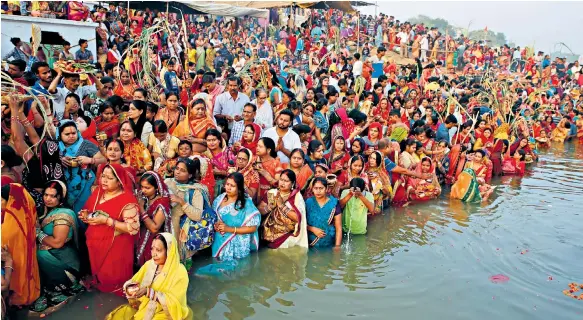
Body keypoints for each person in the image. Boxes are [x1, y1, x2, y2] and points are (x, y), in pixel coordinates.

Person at [80, 164, 140, 295]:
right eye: (103, 176)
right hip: (96, 245)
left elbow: (133, 229)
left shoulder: (127, 200)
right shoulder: (98, 192)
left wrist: (106, 220)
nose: (104, 180)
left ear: (119, 181)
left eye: (109, 178)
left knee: (115, 281)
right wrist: (85, 215)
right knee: (101, 277)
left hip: (116, 247)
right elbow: (90, 210)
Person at [106, 233, 191, 320]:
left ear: (169, 251)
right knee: (119, 315)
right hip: (145, 307)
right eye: (152, 249)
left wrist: (150, 292)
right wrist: (129, 287)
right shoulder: (150, 264)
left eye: (158, 250)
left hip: (164, 313)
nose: (154, 254)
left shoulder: (179, 272)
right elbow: (135, 281)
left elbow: (175, 303)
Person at [32, 181, 83, 312]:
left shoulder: (63, 215)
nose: (47, 199)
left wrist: (37, 233)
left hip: (65, 260)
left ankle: (65, 287)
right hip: (53, 255)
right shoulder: (47, 211)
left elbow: (57, 243)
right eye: (46, 195)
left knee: (41, 254)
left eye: (53, 196)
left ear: (60, 197)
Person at [164, 158, 216, 266]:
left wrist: (182, 202)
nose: (177, 172)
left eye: (182, 170)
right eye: (177, 168)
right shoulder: (167, 183)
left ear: (190, 175)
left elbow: (197, 216)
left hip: (184, 234)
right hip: (167, 228)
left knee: (182, 263)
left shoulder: (196, 190)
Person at [1, 184, 41, 311]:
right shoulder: (25, 214)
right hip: (23, 259)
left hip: (10, 265)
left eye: (1, 199)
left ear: (10, 202)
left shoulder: (10, 224)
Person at [57, 120, 105, 212]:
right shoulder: (56, 147)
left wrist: (90, 160)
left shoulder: (85, 144)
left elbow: (103, 160)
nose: (71, 136)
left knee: (85, 209)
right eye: (67, 134)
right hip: (65, 185)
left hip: (86, 184)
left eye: (74, 133)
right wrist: (60, 160)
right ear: (60, 135)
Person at [211, 172, 261, 260]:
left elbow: (253, 228)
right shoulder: (219, 199)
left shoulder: (246, 204)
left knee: (239, 270)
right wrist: (216, 225)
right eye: (227, 184)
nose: (228, 188)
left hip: (238, 246)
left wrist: (229, 229)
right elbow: (215, 217)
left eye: (232, 186)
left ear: (239, 188)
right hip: (220, 241)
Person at [258, 169, 308, 249]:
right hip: (268, 235)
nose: (282, 183)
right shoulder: (272, 193)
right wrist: (269, 207)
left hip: (288, 236)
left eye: (286, 181)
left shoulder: (297, 197)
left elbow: (298, 218)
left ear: (293, 183)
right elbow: (259, 210)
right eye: (281, 179)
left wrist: (282, 206)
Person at [135, 172, 173, 268]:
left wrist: (141, 208)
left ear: (156, 188)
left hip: (154, 242)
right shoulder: (143, 197)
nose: (143, 190)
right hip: (141, 238)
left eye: (147, 188)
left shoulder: (162, 203)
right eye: (142, 187)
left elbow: (154, 228)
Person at [305, 178, 342, 248]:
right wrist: (312, 229)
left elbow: (338, 228)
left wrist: (337, 246)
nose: (318, 191)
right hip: (311, 244)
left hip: (329, 243)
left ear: (326, 189)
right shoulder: (307, 202)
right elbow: (301, 223)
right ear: (312, 189)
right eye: (315, 188)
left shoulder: (334, 203)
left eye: (321, 188)